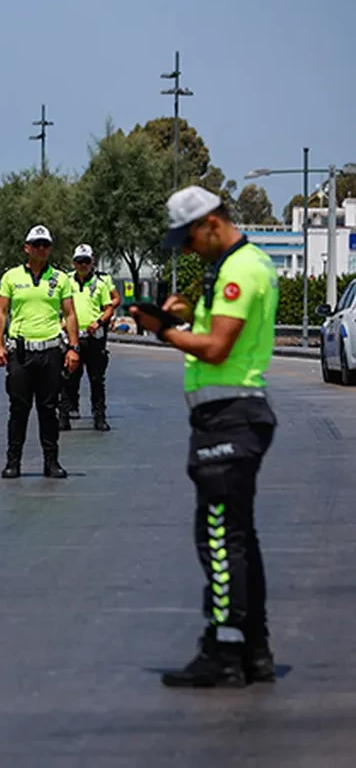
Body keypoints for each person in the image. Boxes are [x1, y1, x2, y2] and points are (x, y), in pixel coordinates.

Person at [132, 187, 279, 689]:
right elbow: (216, 334)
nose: (189, 251)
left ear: (211, 223)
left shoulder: (240, 270)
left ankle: (224, 650)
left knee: (218, 537)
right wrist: (179, 318)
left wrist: (162, 331)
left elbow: (217, 348)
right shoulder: (237, 266)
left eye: (190, 240)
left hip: (229, 418)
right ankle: (254, 649)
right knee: (238, 537)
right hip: (234, 415)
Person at [0, 225, 81, 479]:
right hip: (20, 352)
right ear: (27, 248)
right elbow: (1, 312)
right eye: (37, 244)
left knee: (48, 409)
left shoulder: (60, 279)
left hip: (50, 351)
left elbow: (70, 314)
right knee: (18, 409)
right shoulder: (11, 277)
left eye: (46, 245)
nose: (42, 249)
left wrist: (73, 348)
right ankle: (13, 462)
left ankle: (51, 462)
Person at [60, 244, 121, 432]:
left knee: (96, 379)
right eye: (79, 261)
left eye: (86, 261)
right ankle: (64, 417)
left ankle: (99, 417)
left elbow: (109, 307)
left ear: (92, 262)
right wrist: (61, 323)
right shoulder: (65, 282)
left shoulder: (100, 283)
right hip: (72, 337)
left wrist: (99, 322)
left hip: (93, 338)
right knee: (68, 378)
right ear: (74, 263)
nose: (83, 265)